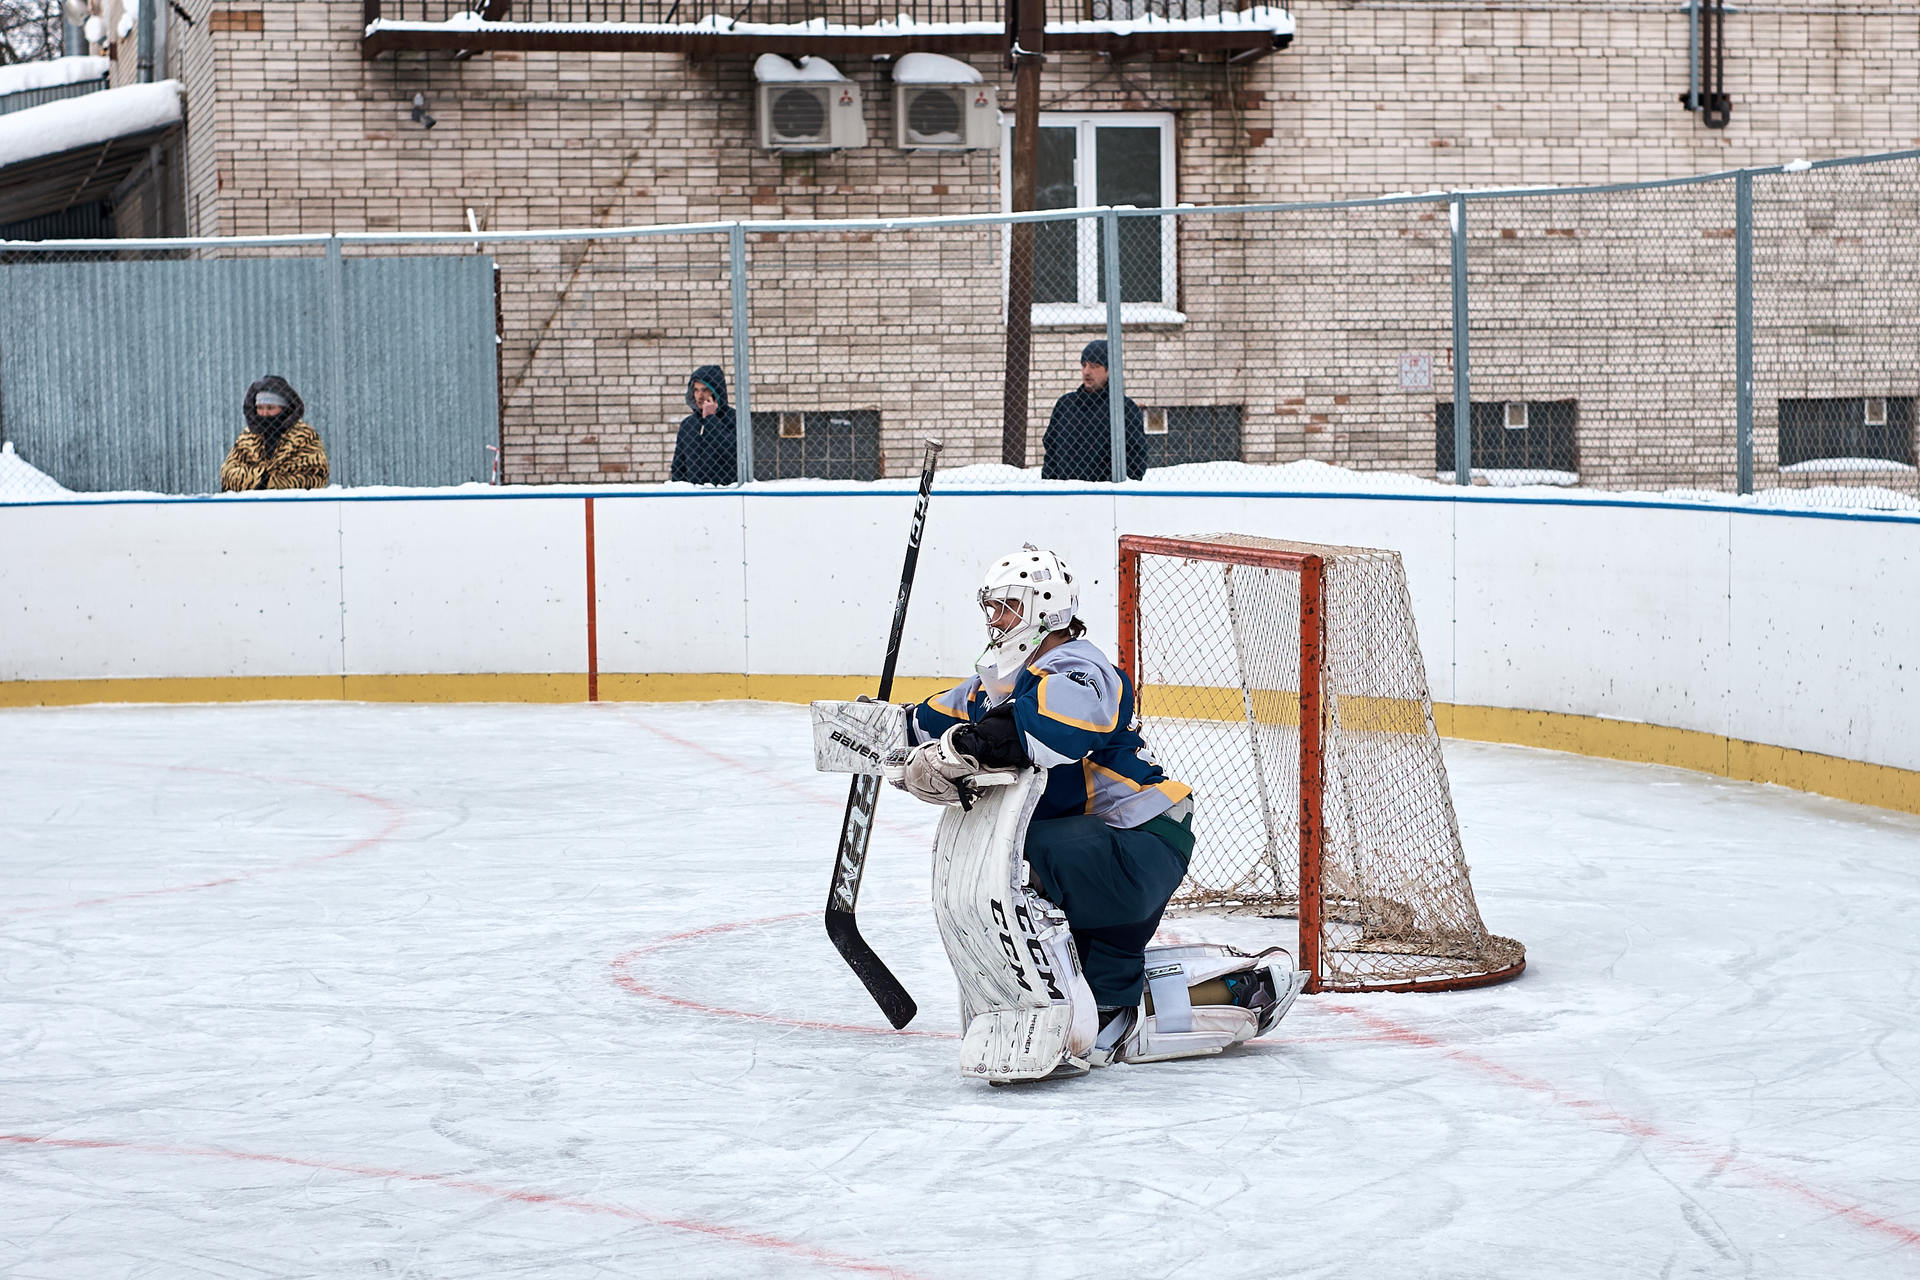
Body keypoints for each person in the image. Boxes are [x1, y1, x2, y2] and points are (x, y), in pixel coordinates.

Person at [894, 546, 1299, 1069]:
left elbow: (1047, 731)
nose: (995, 619)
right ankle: (1221, 994)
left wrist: (961, 748)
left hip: (1144, 841)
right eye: (991, 607)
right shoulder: (996, 681)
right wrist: (872, 731)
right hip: (1108, 849)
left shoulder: (1080, 667)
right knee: (1107, 1023)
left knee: (1021, 854)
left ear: (1044, 608)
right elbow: (924, 721)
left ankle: (1071, 1003)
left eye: (1007, 606)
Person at [1041, 340, 1147, 482]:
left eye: (1094, 366)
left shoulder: (1123, 408)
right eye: (1084, 365)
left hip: (1106, 494)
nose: (1087, 372)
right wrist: (1051, 484)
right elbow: (1051, 449)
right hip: (1065, 493)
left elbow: (1136, 456)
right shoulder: (1065, 405)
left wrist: (1113, 488)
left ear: (1109, 370)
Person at [219, 375, 329, 492]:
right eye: (260, 408)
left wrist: (272, 482)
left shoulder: (305, 437)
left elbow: (317, 474)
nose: (264, 413)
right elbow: (228, 472)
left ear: (284, 408)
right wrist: (259, 478)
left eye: (270, 408)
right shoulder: (247, 437)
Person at [671, 365, 739, 485]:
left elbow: (732, 452)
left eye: (705, 390)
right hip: (694, 494)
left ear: (715, 391)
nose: (699, 396)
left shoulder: (734, 419)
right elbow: (678, 465)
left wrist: (710, 419)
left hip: (726, 492)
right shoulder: (688, 424)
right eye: (696, 390)